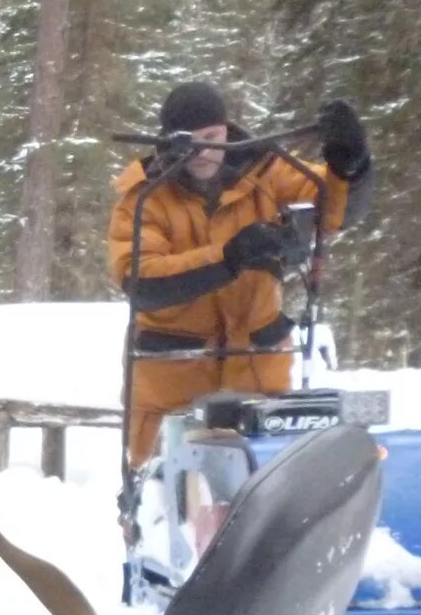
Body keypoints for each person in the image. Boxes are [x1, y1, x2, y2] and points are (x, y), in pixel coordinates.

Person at [107, 82, 373, 464]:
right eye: (189, 143)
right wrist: (230, 257)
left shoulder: (265, 173)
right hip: (173, 390)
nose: (202, 152)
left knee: (267, 506)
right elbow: (143, 281)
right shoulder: (145, 198)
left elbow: (333, 209)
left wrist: (352, 166)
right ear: (166, 142)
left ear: (226, 130)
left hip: (258, 383)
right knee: (167, 509)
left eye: (211, 137)